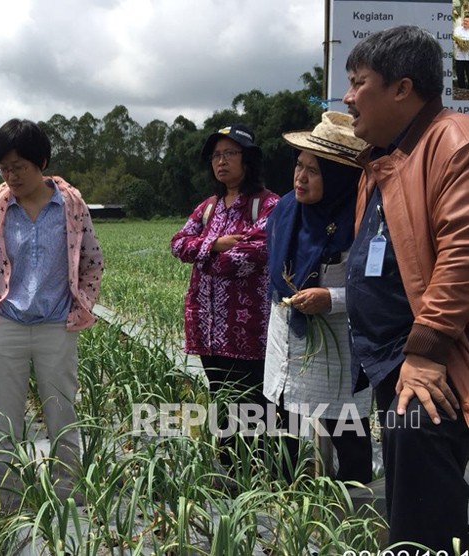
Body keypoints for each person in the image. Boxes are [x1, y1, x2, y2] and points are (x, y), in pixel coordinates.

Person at [344, 25, 469, 550]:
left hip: (430, 366)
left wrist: (425, 349)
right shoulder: (381, 160)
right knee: (410, 499)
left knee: (425, 523)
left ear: (402, 87)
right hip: (394, 362)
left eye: (359, 82)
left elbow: (463, 251)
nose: (348, 97)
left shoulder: (452, 143)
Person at [0, 118, 103, 490]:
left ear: (41, 162)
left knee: (62, 413)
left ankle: (67, 493)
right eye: (4, 168)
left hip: (56, 325)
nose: (11, 176)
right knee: (4, 418)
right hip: (6, 323)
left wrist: (81, 305)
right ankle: (9, 495)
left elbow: (92, 260)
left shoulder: (70, 205)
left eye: (19, 167)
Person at [264, 111, 372, 484]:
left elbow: (380, 285)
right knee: (283, 419)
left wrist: (333, 298)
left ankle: (353, 509)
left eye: (314, 169)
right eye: (299, 165)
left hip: (338, 341)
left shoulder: (364, 220)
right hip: (287, 334)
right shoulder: (284, 211)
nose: (300, 176)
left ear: (341, 176)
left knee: (347, 427)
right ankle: (283, 497)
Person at [170, 125, 279, 419]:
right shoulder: (209, 207)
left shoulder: (269, 205)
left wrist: (202, 256)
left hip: (249, 334)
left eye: (229, 153)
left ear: (248, 159)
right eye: (216, 155)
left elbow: (247, 256)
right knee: (223, 404)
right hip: (207, 330)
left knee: (260, 409)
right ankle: (232, 465)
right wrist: (216, 244)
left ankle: (266, 466)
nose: (221, 161)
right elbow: (178, 244)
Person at [454, 16, 469, 90]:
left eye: (467, 21)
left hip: (468, 56)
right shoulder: (458, 29)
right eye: (465, 21)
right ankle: (462, 89)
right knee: (460, 74)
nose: (465, 22)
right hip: (459, 56)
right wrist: (460, 43)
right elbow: (455, 39)